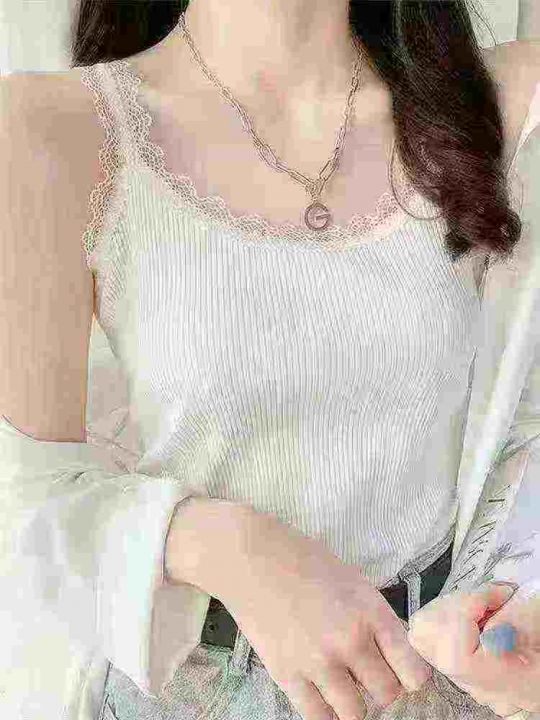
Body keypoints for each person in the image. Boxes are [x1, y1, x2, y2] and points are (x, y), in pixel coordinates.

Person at [0, 1, 538, 719]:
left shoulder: (504, 106)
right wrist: (220, 542)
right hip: (197, 690)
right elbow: (22, 493)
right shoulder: (57, 129)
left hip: (440, 675)